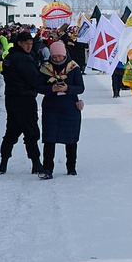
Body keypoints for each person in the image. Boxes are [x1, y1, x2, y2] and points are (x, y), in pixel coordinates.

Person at [0, 31, 44, 172]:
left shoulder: (9, 57)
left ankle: (3, 163)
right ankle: (36, 163)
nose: (29, 46)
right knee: (30, 132)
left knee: (11, 131)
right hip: (25, 99)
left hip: (11, 98)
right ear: (19, 43)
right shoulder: (24, 59)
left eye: (31, 43)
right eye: (26, 44)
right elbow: (34, 79)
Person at [39, 41, 83, 177]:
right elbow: (38, 86)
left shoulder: (73, 67)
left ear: (64, 54)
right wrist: (51, 89)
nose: (57, 59)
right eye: (55, 56)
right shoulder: (45, 68)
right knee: (49, 139)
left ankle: (71, 167)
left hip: (70, 107)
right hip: (51, 107)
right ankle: (47, 169)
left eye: (60, 56)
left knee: (71, 139)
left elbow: (80, 87)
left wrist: (68, 88)